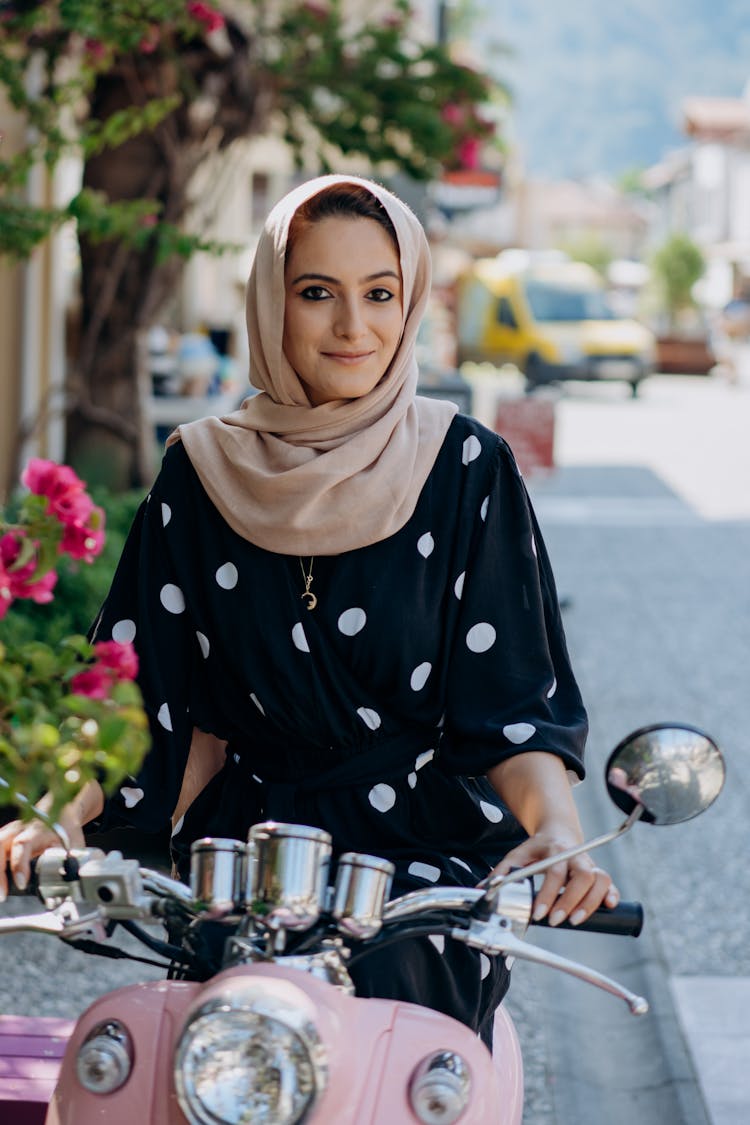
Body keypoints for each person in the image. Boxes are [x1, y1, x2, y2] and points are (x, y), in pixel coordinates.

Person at [0, 175, 618, 1045]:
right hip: (243, 867)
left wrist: (556, 824)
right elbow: (143, 700)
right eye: (316, 292)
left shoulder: (467, 468)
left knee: (398, 1034)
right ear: (270, 303)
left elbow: (509, 702)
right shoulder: (200, 473)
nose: (351, 326)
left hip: (420, 865)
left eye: (380, 294)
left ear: (411, 308)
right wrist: (59, 811)